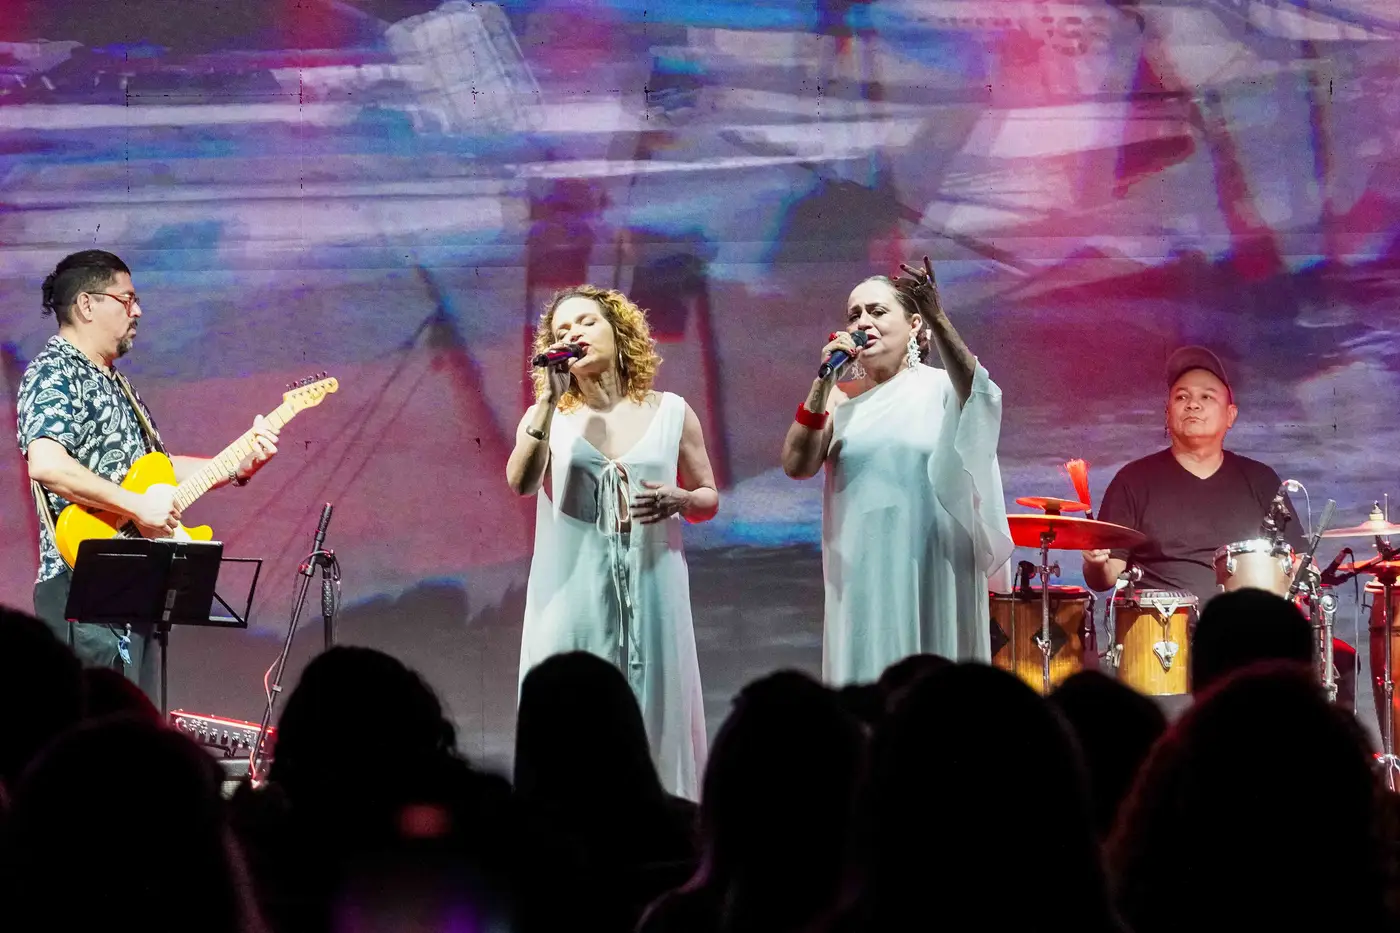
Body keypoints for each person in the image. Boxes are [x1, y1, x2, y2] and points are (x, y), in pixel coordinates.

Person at [16, 250, 280, 699]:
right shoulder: (55, 372)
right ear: (86, 305)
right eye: (126, 299)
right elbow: (47, 464)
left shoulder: (116, 383)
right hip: (81, 584)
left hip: (132, 583)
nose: (137, 310)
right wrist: (138, 506)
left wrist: (237, 465)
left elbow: (157, 470)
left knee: (136, 727)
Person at [506, 284, 720, 800]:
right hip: (573, 595)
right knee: (576, 723)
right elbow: (521, 482)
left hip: (654, 589)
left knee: (656, 715)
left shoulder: (672, 412)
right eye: (562, 330)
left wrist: (682, 499)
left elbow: (709, 495)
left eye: (585, 322)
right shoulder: (550, 418)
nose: (573, 334)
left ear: (619, 332)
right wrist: (545, 405)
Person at [1080, 346, 1356, 704]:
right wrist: (1096, 562)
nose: (1192, 404)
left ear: (1231, 415)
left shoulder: (1259, 480)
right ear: (1168, 413)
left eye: (1206, 397)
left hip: (1245, 634)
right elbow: (1105, 579)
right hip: (1163, 637)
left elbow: (1300, 565)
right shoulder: (1133, 480)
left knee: (1339, 661)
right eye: (1182, 397)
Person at [781, 257, 1013, 682]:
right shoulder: (839, 400)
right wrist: (821, 383)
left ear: (914, 326)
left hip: (934, 563)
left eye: (878, 311)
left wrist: (939, 316)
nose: (863, 322)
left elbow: (981, 397)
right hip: (864, 569)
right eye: (855, 315)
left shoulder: (943, 388)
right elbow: (797, 465)